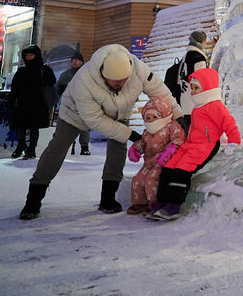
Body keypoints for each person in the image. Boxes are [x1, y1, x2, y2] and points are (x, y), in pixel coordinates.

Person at [18, 44, 182, 220]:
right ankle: (33, 199)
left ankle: (108, 199)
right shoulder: (84, 80)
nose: (121, 85)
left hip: (119, 112)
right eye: (115, 82)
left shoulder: (138, 69)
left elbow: (161, 94)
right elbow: (95, 120)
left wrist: (179, 118)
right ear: (104, 76)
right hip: (74, 115)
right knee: (57, 149)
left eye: (124, 80)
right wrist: (131, 134)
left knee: (117, 149)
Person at [148, 67, 240, 221]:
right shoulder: (198, 107)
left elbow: (229, 124)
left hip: (206, 145)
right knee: (168, 167)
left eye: (196, 88)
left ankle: (174, 206)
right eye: (191, 88)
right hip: (190, 144)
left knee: (182, 170)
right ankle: (162, 202)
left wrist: (233, 142)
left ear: (208, 88)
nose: (192, 92)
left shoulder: (216, 106)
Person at [126, 96, 186, 215]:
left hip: (162, 162)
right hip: (148, 162)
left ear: (163, 115)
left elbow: (179, 138)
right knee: (138, 179)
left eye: (155, 117)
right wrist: (135, 149)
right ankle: (140, 202)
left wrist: (170, 150)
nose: (152, 120)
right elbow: (142, 143)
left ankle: (154, 202)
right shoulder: (147, 132)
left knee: (151, 179)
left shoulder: (171, 126)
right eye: (148, 117)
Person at [8, 45, 56, 160]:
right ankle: (21, 146)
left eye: (31, 55)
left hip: (38, 103)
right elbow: (15, 87)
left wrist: (39, 82)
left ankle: (31, 149)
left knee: (34, 127)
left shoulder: (44, 69)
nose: (28, 58)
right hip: (23, 102)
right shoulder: (22, 70)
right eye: (27, 55)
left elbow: (52, 81)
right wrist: (12, 100)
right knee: (20, 126)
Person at [163, 30, 207, 132]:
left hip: (185, 101)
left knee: (187, 133)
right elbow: (201, 80)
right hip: (195, 102)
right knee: (196, 134)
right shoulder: (198, 58)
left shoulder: (185, 56)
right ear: (201, 41)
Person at [55, 51, 90, 155]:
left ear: (82, 62)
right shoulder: (66, 75)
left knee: (84, 126)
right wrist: (55, 98)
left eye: (77, 60)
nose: (74, 62)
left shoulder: (88, 73)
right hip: (69, 105)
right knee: (69, 126)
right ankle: (71, 147)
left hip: (85, 103)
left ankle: (85, 147)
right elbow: (59, 88)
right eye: (73, 60)